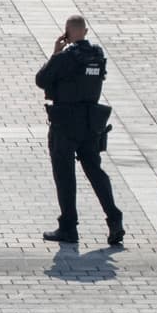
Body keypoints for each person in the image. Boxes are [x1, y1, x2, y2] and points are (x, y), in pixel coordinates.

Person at [34, 16, 124, 246]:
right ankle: (115, 219)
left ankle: (68, 227)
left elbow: (42, 80)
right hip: (91, 124)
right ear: (85, 30)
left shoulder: (66, 57)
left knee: (65, 175)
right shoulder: (97, 55)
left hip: (65, 124)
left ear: (66, 32)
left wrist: (55, 53)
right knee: (95, 171)